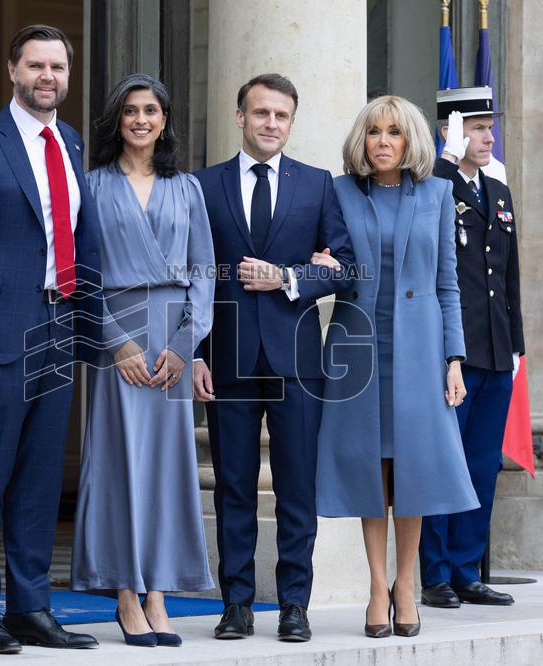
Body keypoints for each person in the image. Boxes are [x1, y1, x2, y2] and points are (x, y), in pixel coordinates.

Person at [0, 24, 102, 654]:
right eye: (36, 66)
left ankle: (32, 606)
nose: (48, 77)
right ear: (12, 70)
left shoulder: (73, 143)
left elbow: (77, 242)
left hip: (60, 329)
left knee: (38, 478)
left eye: (57, 67)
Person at [192, 73, 354, 643]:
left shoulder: (317, 186)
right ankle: (235, 605)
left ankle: (294, 607)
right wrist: (192, 353)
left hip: (296, 363)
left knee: (296, 488)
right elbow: (191, 273)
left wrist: (287, 276)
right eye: (260, 113)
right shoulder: (203, 186)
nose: (270, 124)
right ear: (240, 117)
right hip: (227, 356)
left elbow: (347, 267)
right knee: (232, 484)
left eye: (281, 116)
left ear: (291, 122)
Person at [314, 95, 479, 639]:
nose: (383, 142)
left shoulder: (438, 192)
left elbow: (448, 285)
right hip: (357, 347)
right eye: (374, 132)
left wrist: (454, 359)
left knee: (414, 467)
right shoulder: (336, 192)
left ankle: (406, 584)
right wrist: (320, 266)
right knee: (371, 466)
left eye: (394, 133)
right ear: (362, 141)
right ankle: (375, 584)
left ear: (411, 141)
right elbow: (324, 259)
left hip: (421, 347)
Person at [70, 73, 216, 648]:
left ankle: (159, 590)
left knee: (167, 467)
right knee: (117, 461)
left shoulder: (188, 189)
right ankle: (124, 592)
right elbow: (79, 274)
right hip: (119, 337)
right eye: (130, 110)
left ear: (164, 120)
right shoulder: (93, 185)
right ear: (117, 120)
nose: (140, 119)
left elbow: (205, 270)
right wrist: (115, 341)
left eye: (151, 110)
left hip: (173, 338)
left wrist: (186, 345)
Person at [419, 86, 526, 609]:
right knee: (445, 463)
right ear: (449, 133)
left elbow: (509, 281)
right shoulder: (435, 186)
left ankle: (466, 569)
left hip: (495, 351)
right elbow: (425, 227)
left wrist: (516, 349)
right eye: (476, 127)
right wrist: (444, 161)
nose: (488, 137)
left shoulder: (497, 192)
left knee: (482, 465)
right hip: (451, 356)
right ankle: (435, 572)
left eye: (489, 127)